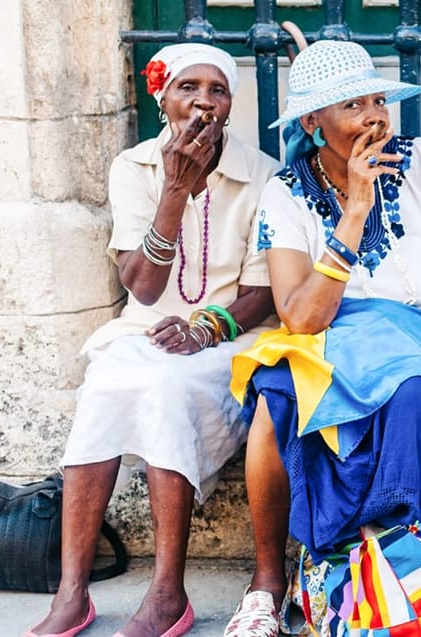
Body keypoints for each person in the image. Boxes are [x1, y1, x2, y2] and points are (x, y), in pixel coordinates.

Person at [221, 40, 421, 637]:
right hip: (333, 334)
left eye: (379, 100)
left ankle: (411, 562)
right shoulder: (286, 193)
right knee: (274, 400)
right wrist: (354, 211)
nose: (376, 115)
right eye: (353, 105)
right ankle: (267, 586)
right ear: (313, 123)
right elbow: (300, 318)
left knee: (411, 395)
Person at [24, 44, 280, 637]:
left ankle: (168, 594)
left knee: (167, 385)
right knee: (106, 382)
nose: (204, 102)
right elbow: (141, 288)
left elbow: (263, 292)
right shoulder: (133, 167)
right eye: (189, 87)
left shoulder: (263, 174)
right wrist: (173, 192)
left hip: (227, 336)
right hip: (146, 328)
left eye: (218, 91)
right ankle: (72, 591)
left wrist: (205, 327)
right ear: (161, 97)